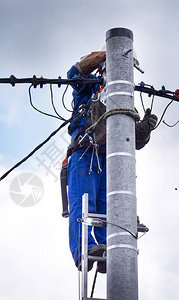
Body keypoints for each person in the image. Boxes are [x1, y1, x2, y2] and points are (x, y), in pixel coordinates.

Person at [66, 51, 157, 273]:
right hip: (85, 154)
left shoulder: (124, 100)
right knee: (84, 204)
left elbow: (134, 140)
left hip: (112, 160)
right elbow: (76, 71)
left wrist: (144, 129)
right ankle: (84, 249)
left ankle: (107, 248)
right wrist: (114, 51)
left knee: (110, 207)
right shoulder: (87, 90)